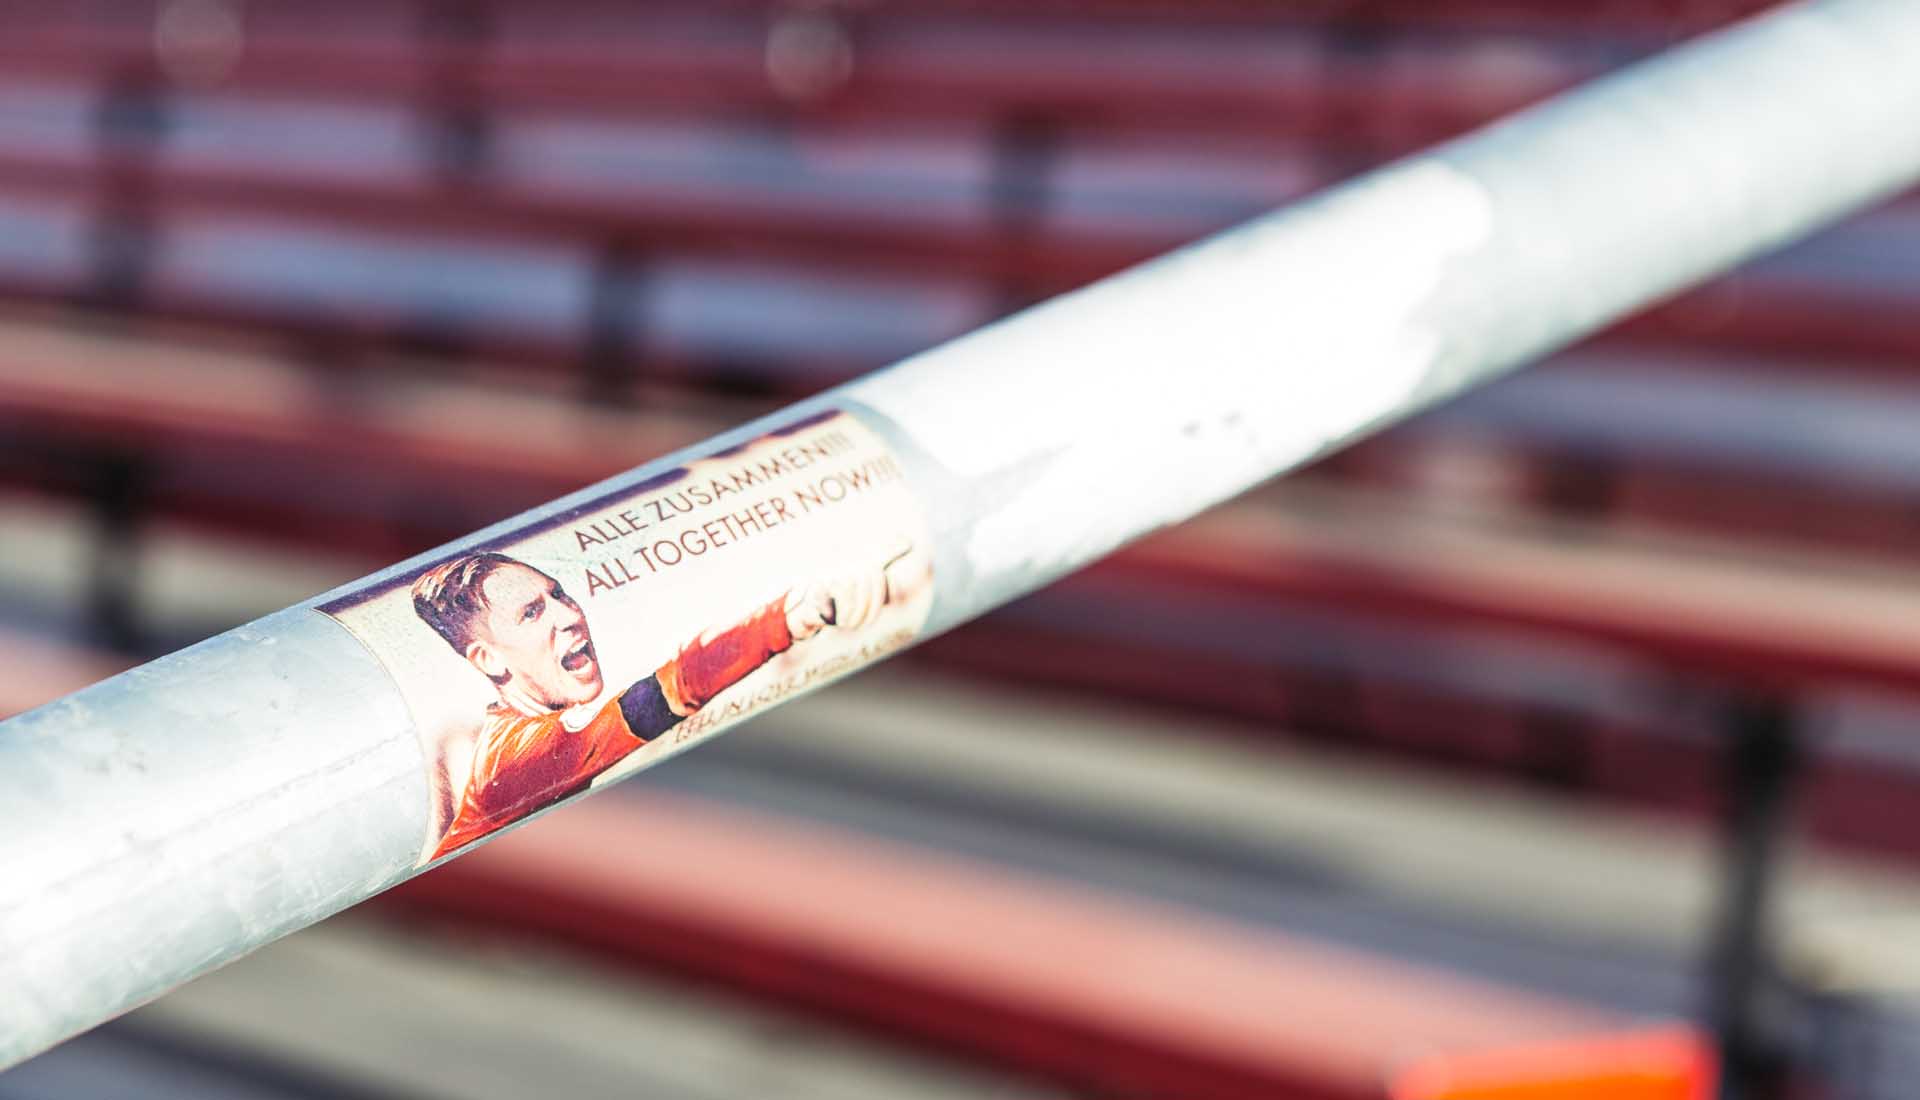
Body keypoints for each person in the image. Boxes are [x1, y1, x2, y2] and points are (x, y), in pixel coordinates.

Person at [412, 549, 904, 859]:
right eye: (532, 613)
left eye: (558, 594)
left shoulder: (518, 730)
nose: (568, 616)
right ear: (488, 659)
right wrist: (793, 616)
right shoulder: (515, 758)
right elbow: (660, 695)